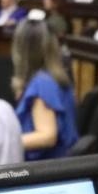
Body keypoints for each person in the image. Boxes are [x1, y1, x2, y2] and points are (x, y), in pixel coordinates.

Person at [13, 21, 77, 161]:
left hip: (44, 171)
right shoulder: (53, 77)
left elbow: (47, 136)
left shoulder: (42, 84)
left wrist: (6, 141)